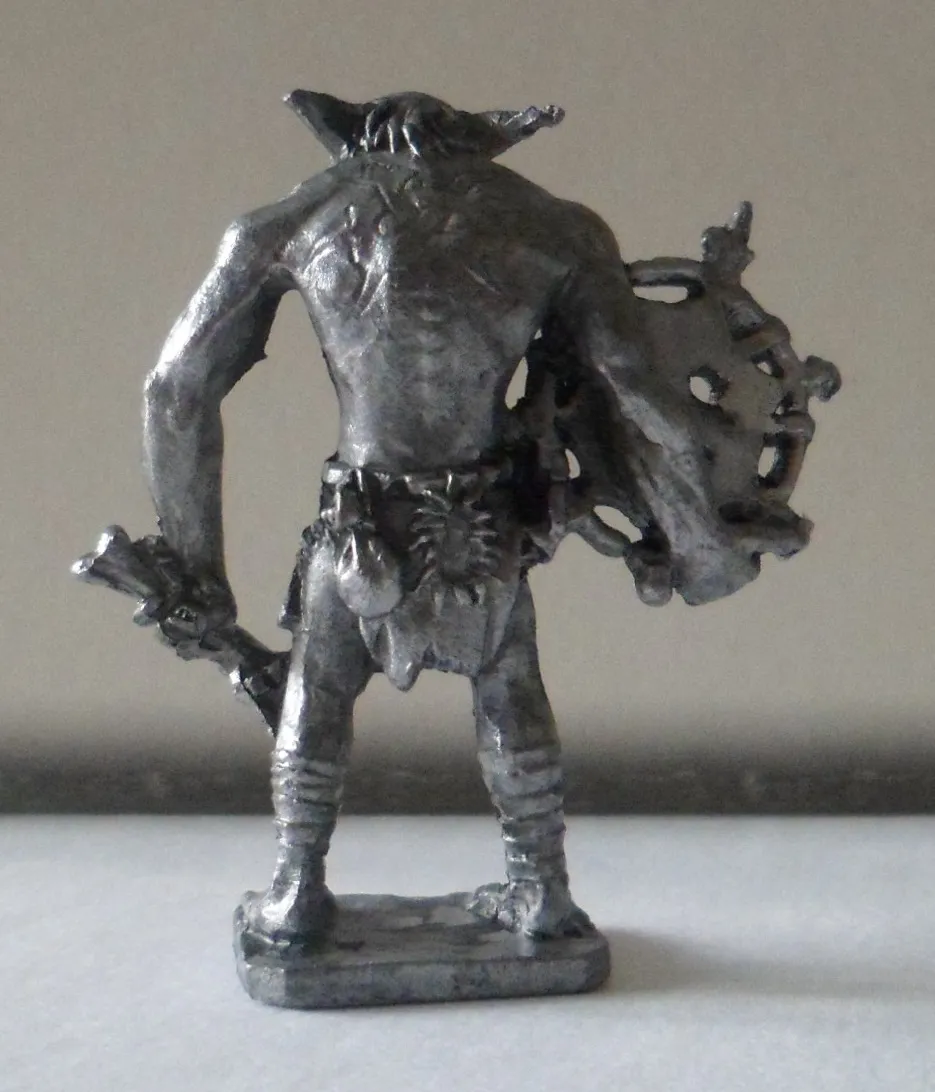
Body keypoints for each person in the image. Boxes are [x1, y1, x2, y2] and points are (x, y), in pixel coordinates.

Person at [142, 91, 755, 947]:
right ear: (479, 144)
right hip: (485, 525)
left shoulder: (293, 221)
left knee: (318, 698)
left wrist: (195, 565)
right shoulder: (554, 227)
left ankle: (297, 892)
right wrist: (700, 533)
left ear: (355, 142)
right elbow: (637, 390)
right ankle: (540, 891)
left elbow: (174, 392)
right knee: (509, 690)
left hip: (361, 522)